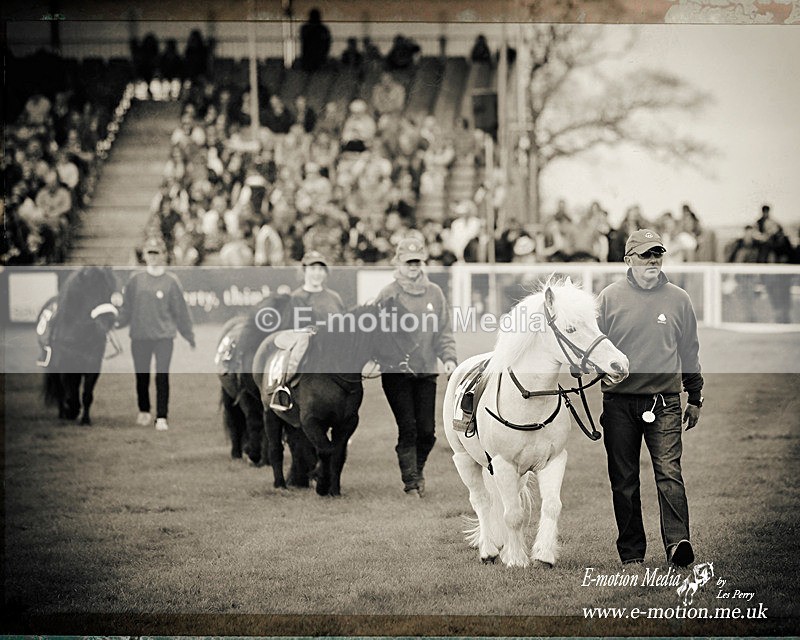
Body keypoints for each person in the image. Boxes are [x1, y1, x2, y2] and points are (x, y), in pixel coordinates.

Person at [596, 228, 703, 567]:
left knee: (669, 472)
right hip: (618, 404)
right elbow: (591, 346)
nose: (653, 260)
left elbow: (689, 351)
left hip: (665, 402)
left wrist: (695, 396)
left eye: (657, 253)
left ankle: (678, 544)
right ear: (629, 260)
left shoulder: (679, 299)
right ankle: (631, 555)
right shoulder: (609, 298)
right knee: (624, 480)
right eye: (645, 255)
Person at [375, 237, 457, 497]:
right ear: (398, 262)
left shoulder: (435, 292)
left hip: (426, 370)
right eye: (408, 261)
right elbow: (376, 332)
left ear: (423, 262)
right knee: (408, 428)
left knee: (428, 432)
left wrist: (449, 358)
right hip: (395, 373)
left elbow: (444, 330)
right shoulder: (388, 293)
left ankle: (417, 469)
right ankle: (411, 483)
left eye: (417, 261)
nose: (412, 266)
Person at [117, 236, 196, 431]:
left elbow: (180, 312)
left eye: (156, 253)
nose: (152, 257)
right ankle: (144, 411)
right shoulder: (135, 280)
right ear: (144, 255)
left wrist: (188, 334)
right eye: (149, 253)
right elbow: (126, 308)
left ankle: (162, 416)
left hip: (164, 337)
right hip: (139, 336)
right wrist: (115, 322)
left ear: (163, 255)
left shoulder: (171, 281)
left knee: (162, 376)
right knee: (141, 376)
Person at [270, 251, 345, 411]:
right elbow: (287, 329)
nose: (317, 273)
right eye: (313, 268)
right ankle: (282, 386)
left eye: (320, 269)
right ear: (304, 270)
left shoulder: (334, 297)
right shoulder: (296, 297)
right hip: (307, 350)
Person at [299, 8, 331, 72]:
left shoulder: (322, 29)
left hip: (318, 58)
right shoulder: (307, 28)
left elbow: (327, 43)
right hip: (309, 58)